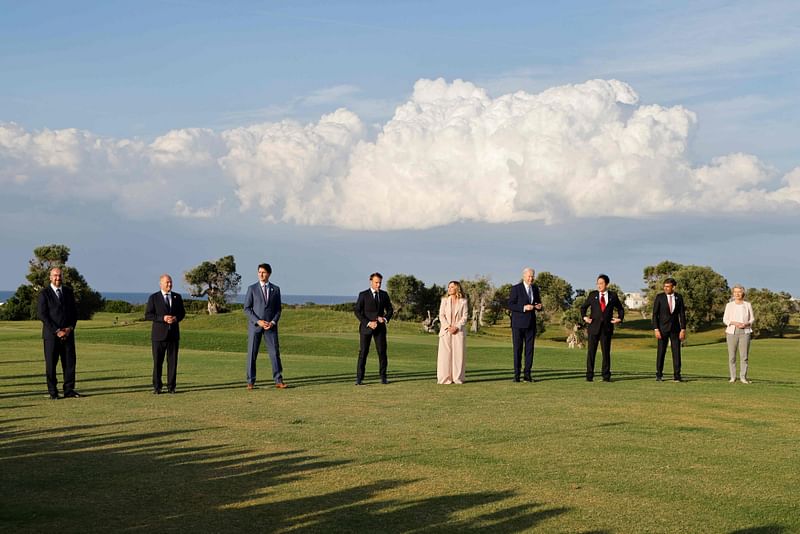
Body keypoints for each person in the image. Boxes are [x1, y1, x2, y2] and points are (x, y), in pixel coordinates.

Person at [37, 267, 80, 399]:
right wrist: (57, 331)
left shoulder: (68, 292)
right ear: (50, 277)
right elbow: (42, 315)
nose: (58, 278)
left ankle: (69, 390)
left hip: (68, 334)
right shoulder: (44, 293)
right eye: (55, 275)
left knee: (69, 364)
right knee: (51, 364)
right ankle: (53, 392)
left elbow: (74, 313)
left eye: (60, 275)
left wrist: (69, 328)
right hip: (51, 336)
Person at [244, 263, 287, 389]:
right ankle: (250, 381)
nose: (261, 274)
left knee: (274, 353)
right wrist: (258, 321)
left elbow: (278, 310)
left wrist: (273, 322)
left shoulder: (276, 289)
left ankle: (278, 380)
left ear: (269, 273)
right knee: (252, 354)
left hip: (271, 327)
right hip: (255, 326)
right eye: (259, 272)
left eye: (263, 272)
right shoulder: (252, 289)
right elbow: (247, 309)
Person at [144, 274, 186, 394]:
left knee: (172, 362)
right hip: (158, 336)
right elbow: (148, 315)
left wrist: (175, 318)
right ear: (161, 283)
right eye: (167, 282)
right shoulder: (154, 298)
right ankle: (157, 387)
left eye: (171, 282)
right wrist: (162, 318)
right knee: (158, 362)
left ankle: (171, 387)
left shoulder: (177, 297)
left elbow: (182, 313)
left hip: (173, 336)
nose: (169, 284)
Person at [580, 274, 624, 382]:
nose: (599, 285)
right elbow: (583, 308)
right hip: (593, 328)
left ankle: (606, 376)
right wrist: (585, 317)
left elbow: (620, 309)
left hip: (606, 329)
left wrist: (619, 318)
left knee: (606, 353)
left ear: (607, 284)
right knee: (591, 352)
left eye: (601, 283)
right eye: (598, 283)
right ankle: (589, 376)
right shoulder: (592, 295)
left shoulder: (613, 296)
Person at [354, 272, 394, 385]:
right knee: (363, 353)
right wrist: (368, 323)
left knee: (382, 352)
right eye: (376, 283)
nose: (378, 285)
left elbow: (390, 310)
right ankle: (359, 378)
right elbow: (357, 311)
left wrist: (385, 319)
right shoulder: (363, 295)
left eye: (380, 283)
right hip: (366, 328)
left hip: (380, 328)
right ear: (371, 281)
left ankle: (383, 377)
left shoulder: (384, 295)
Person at [507, 267, 543, 382]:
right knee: (517, 350)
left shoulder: (535, 289)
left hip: (531, 324)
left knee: (529, 350)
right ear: (524, 276)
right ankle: (516, 375)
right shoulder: (516, 289)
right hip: (518, 324)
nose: (531, 278)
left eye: (532, 276)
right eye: (529, 276)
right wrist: (523, 308)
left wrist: (539, 306)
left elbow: (537, 302)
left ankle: (527, 375)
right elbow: (510, 305)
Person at [651, 277, 687, 382]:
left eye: (668, 286)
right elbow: (654, 314)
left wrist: (683, 329)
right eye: (665, 286)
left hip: (675, 329)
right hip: (662, 330)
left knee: (676, 352)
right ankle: (659, 374)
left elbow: (682, 314)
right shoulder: (659, 297)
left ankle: (677, 375)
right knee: (661, 352)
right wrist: (656, 329)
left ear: (673, 287)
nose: (666, 288)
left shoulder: (679, 297)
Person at [722, 285, 755, 384]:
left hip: (745, 332)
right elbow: (725, 319)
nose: (737, 294)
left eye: (739, 292)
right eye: (735, 292)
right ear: (733, 293)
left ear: (743, 293)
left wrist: (746, 324)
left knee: (744, 356)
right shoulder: (729, 305)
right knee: (732, 356)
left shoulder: (747, 305)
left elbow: (752, 318)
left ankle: (743, 377)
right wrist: (734, 323)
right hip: (732, 332)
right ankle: (732, 377)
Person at [437, 281, 468, 384]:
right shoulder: (444, 300)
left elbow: (464, 317)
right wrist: (448, 327)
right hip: (446, 331)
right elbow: (441, 315)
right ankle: (445, 378)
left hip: (458, 332)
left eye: (452, 287)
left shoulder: (463, 301)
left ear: (457, 289)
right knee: (445, 356)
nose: (449, 289)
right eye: (449, 287)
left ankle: (457, 378)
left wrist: (456, 327)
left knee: (458, 355)